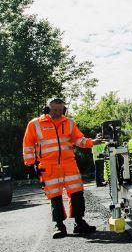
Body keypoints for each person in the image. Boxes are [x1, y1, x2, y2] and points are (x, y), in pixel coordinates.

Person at [22, 98, 102, 238]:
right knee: (55, 196)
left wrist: (92, 142)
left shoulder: (69, 123)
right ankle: (59, 226)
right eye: (55, 110)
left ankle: (79, 223)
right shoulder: (35, 124)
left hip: (69, 164)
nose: (58, 112)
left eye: (61, 110)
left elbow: (78, 139)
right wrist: (30, 164)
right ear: (47, 109)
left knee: (77, 193)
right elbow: (28, 145)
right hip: (48, 166)